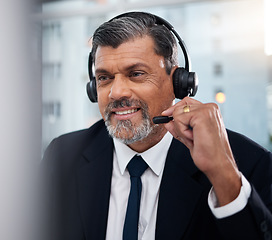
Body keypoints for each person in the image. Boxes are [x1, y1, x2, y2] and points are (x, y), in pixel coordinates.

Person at [40, 11, 272, 240]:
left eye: (136, 74)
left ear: (179, 83)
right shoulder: (63, 156)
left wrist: (223, 175)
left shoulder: (248, 163)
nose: (116, 92)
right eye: (104, 78)